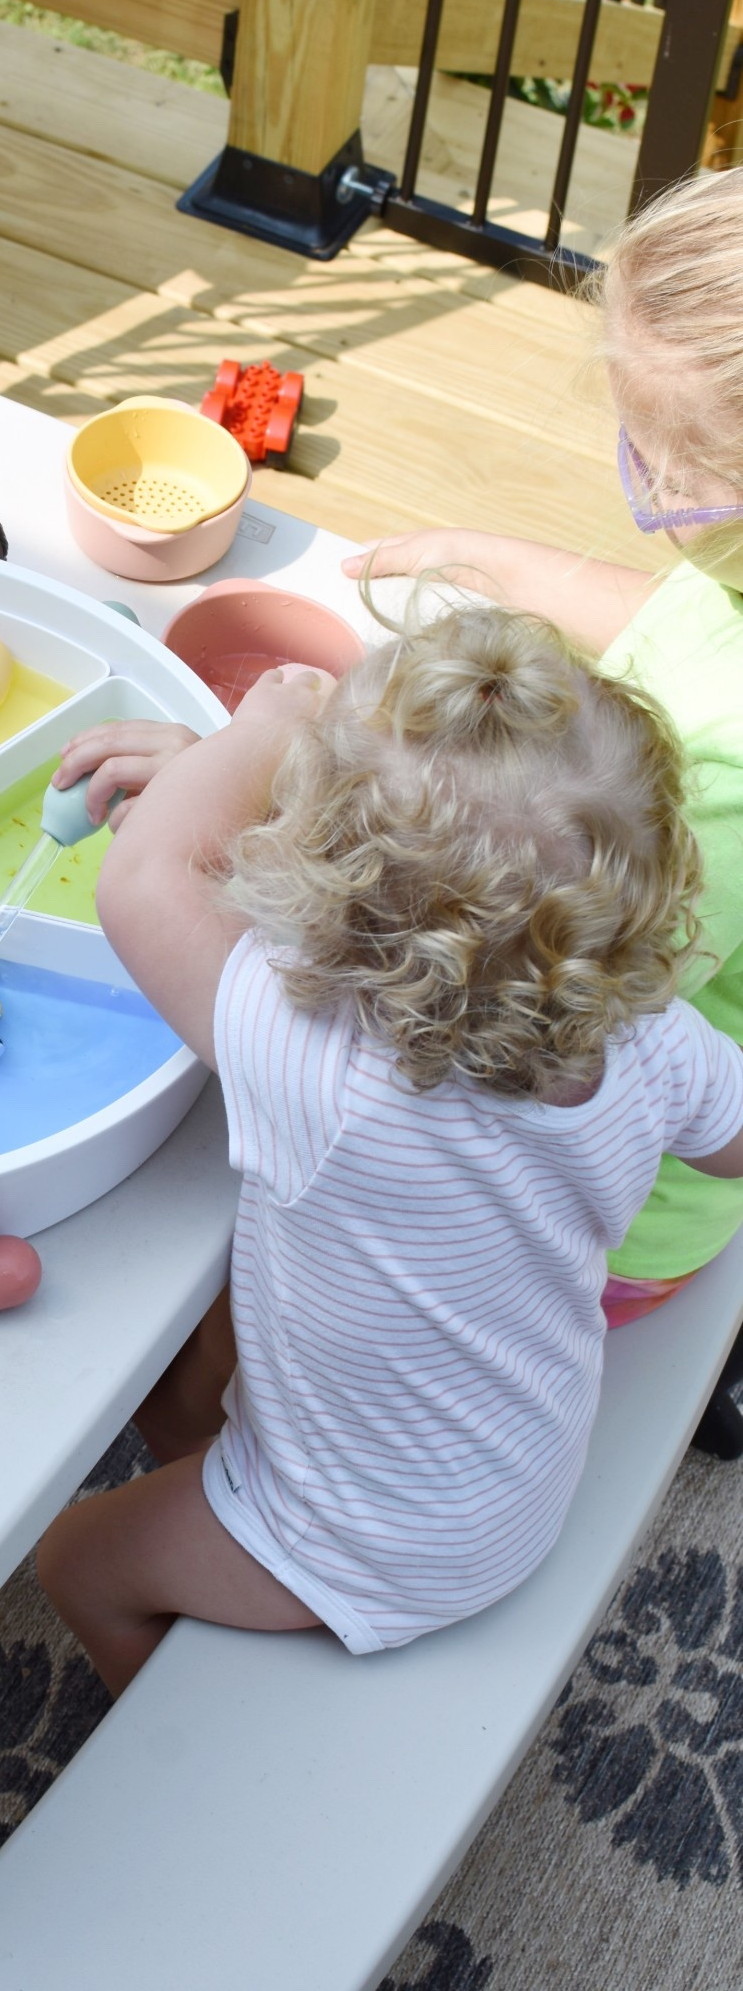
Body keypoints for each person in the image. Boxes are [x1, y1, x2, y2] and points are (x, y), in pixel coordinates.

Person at [37, 598, 743, 1697]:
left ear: (324, 884)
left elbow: (145, 879)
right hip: (517, 1457)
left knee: (76, 1558)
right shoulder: (652, 1036)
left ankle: (192, 1721)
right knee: (181, 1385)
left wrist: (268, 730)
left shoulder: (323, 1067)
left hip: (380, 1545)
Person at [342, 168, 743, 1327]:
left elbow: (528, 994)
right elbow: (676, 616)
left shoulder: (721, 797)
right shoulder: (727, 583)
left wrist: (296, 825)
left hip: (588, 1213)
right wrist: (485, 557)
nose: (640, 474)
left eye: (658, 459)